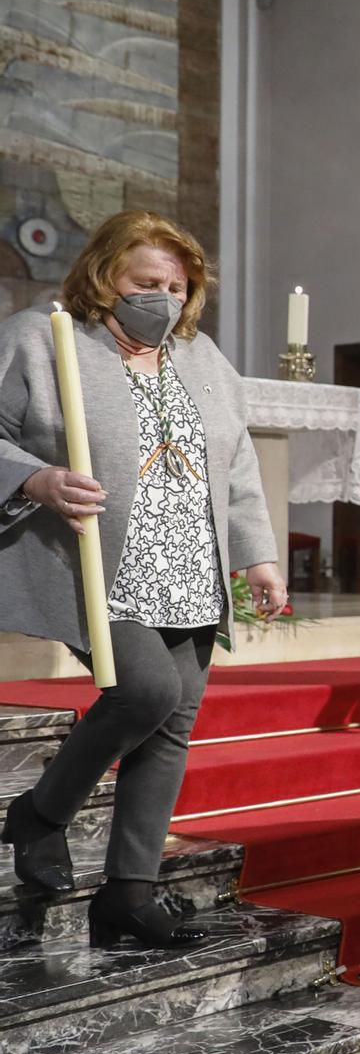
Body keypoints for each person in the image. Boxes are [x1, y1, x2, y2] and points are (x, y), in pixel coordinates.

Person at [0, 209, 286, 949]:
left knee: (174, 723)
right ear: (104, 275)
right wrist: (36, 479)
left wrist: (259, 553)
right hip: (103, 562)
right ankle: (40, 813)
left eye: (175, 285)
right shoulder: (43, 336)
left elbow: (238, 460)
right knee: (147, 691)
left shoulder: (199, 355)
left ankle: (129, 892)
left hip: (189, 562)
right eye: (144, 281)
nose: (160, 296)